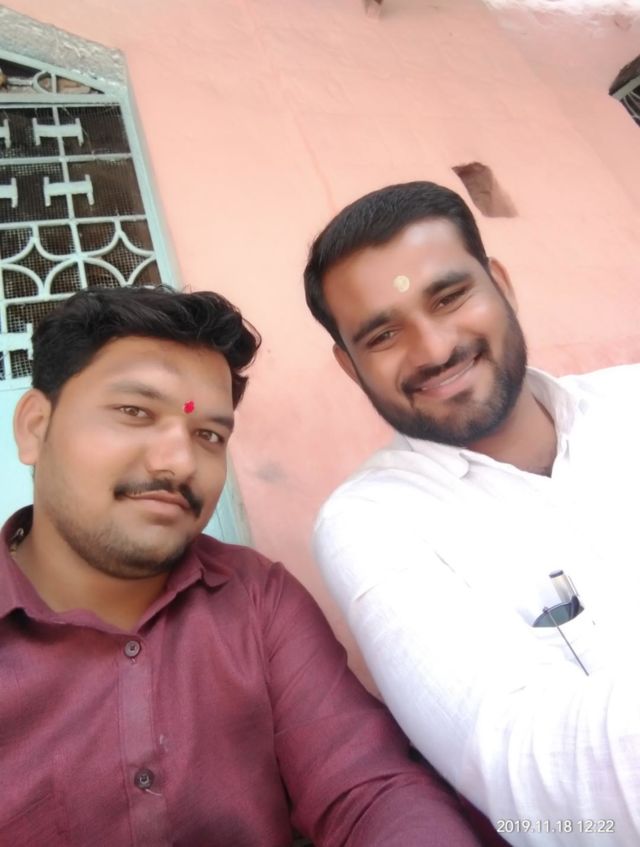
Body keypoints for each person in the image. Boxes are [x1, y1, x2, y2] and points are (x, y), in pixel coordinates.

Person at [0, 284, 494, 847]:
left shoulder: (258, 599)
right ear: (35, 426)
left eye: (208, 434)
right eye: (135, 412)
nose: (179, 462)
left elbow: (369, 789)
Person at [304, 181, 640, 847]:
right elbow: (539, 789)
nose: (433, 350)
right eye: (383, 333)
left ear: (502, 286)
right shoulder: (371, 522)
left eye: (449, 297)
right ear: (349, 366)